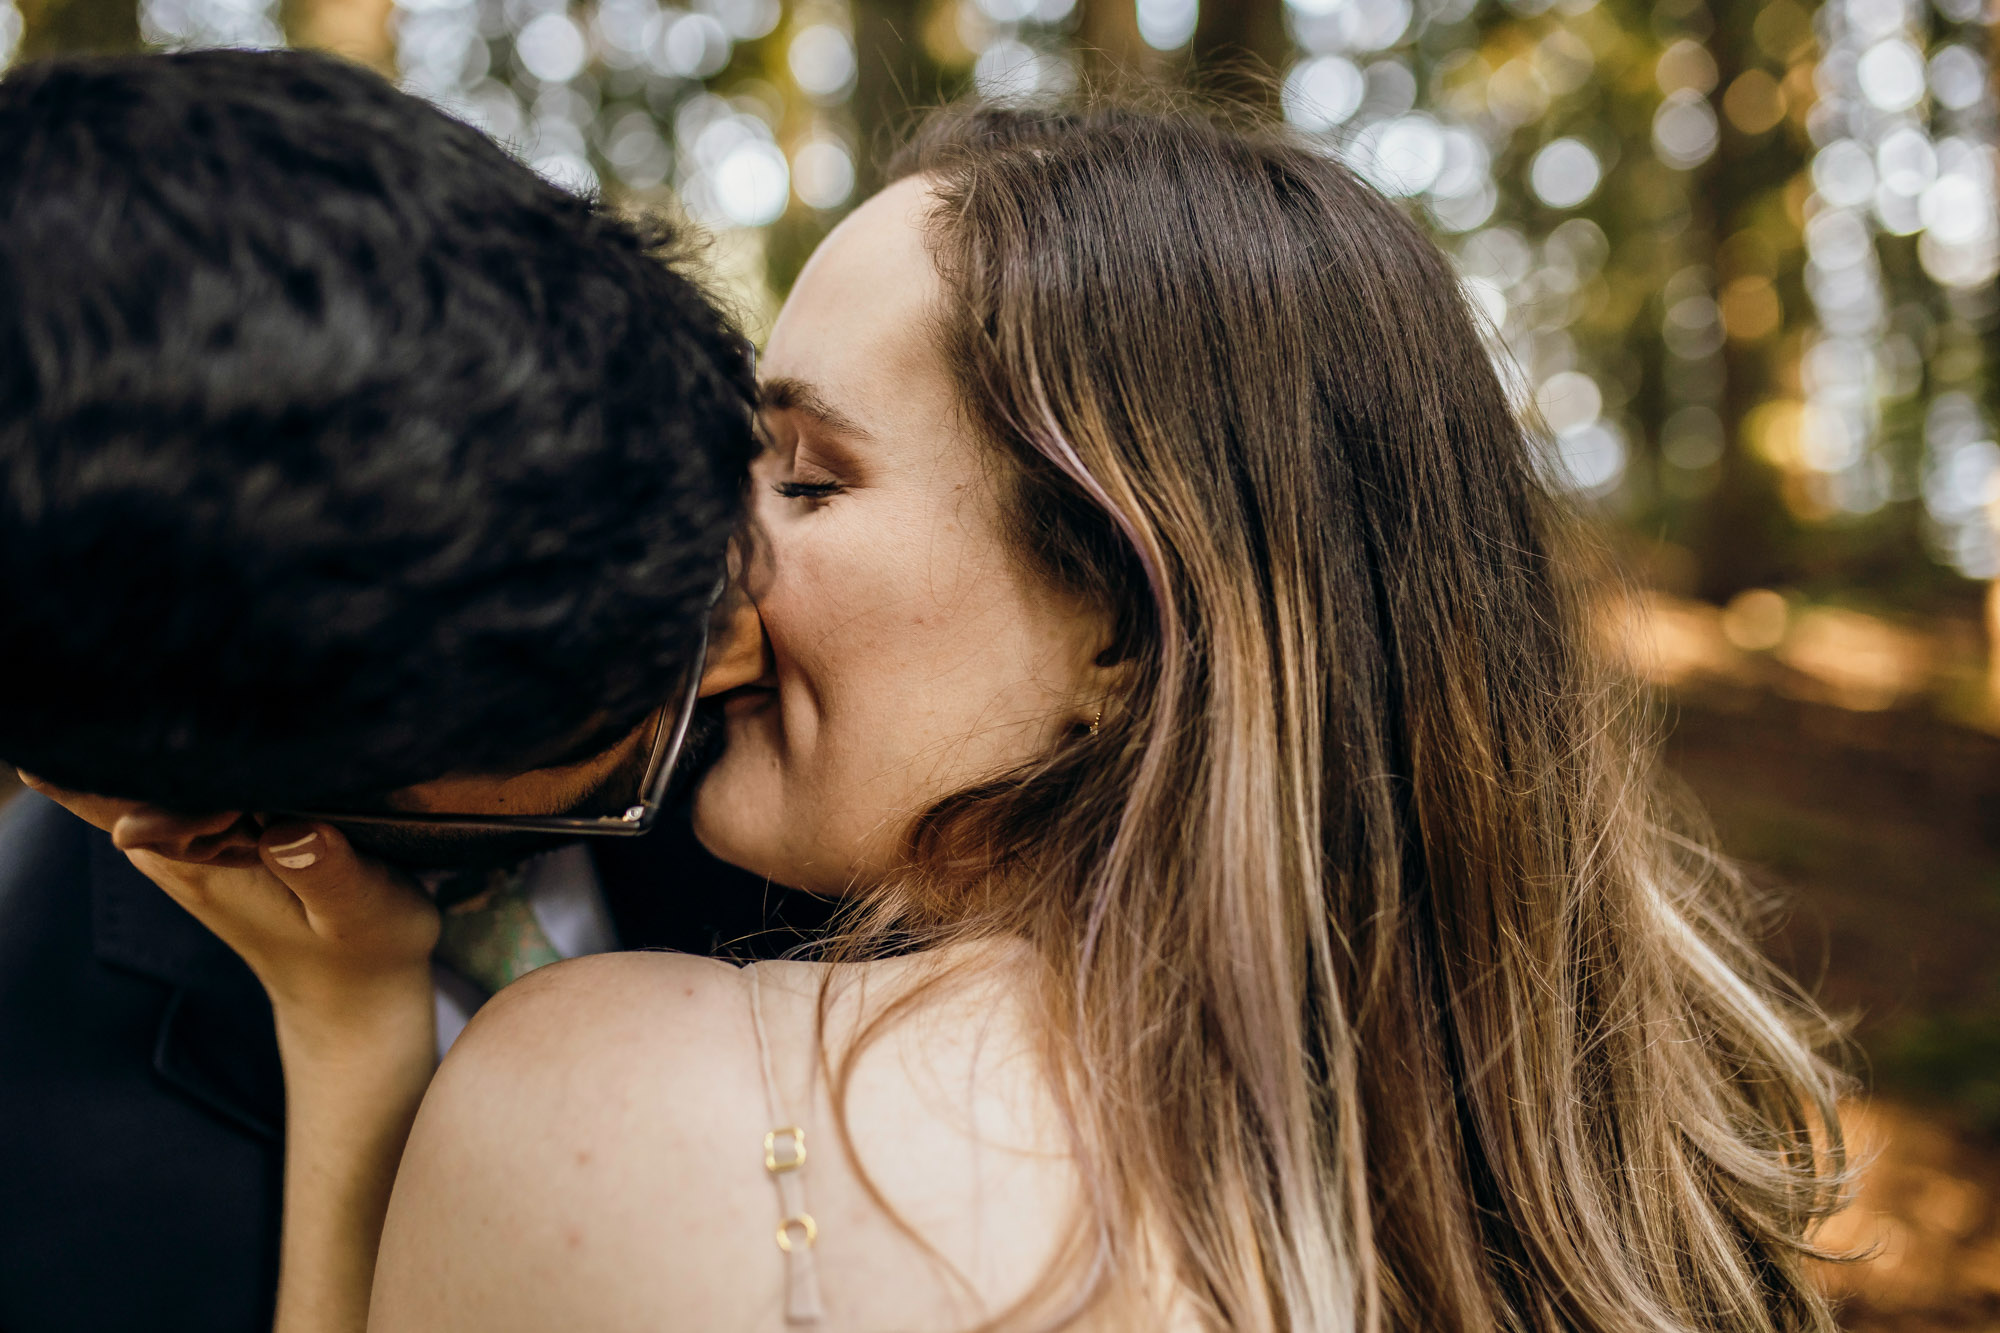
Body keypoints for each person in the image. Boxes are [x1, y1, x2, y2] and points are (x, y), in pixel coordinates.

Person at [55, 99, 1853, 1331]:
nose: (710, 556)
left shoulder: (604, 1088)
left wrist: (357, 1048)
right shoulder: (1649, 1204)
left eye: (809, 478)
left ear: (1129, 634)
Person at [0, 49, 830, 1333]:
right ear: (217, 826)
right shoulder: (36, 1143)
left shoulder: (849, 768)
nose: (745, 651)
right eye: (630, 683)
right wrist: (356, 1059)